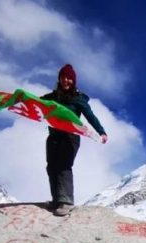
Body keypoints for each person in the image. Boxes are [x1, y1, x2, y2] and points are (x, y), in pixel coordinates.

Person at [42, 64, 108, 216]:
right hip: (53, 137)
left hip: (70, 137)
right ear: (59, 79)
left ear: (73, 81)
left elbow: (90, 116)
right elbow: (35, 103)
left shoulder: (78, 99)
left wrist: (101, 131)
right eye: (63, 77)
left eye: (69, 78)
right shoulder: (51, 97)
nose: (66, 80)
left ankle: (66, 201)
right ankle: (57, 200)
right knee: (51, 167)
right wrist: (17, 99)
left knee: (63, 166)